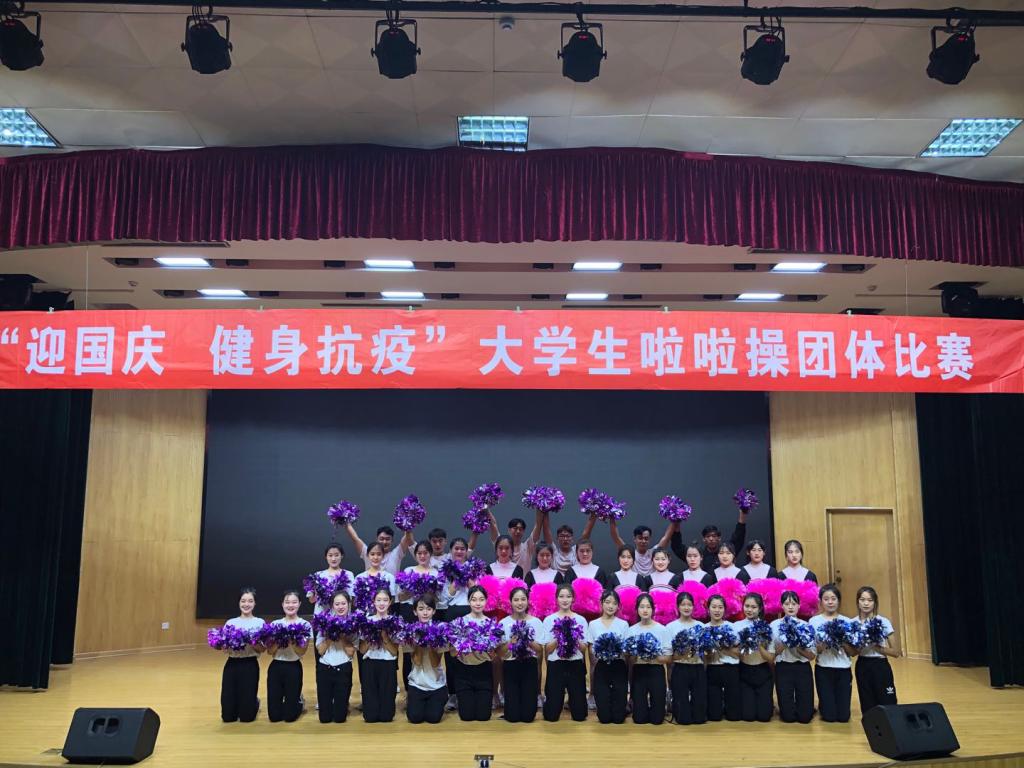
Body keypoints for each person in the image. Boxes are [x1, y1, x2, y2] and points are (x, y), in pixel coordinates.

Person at [542, 583, 589, 721]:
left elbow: (584, 649)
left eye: (568, 596)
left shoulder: (580, 619)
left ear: (573, 598)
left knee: (580, 716)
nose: (565, 600)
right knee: (551, 716)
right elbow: (548, 650)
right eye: (561, 596)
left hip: (575, 664)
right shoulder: (549, 620)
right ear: (556, 599)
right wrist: (560, 636)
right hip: (556, 664)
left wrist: (573, 636)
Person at [449, 585, 497, 721]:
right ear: (469, 601)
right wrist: (461, 645)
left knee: (483, 716)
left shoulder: (491, 624)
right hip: (463, 672)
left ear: (486, 601)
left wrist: (488, 649)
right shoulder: (459, 622)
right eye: (474, 599)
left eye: (481, 599)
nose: (478, 603)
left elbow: (494, 655)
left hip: (483, 672)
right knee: (467, 716)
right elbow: (452, 653)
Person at [499, 586, 545, 723]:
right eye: (516, 600)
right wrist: (510, 642)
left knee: (528, 717)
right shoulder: (503, 623)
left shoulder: (536, 622)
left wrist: (527, 639)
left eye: (523, 599)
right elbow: (500, 653)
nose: (520, 603)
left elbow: (539, 651)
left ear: (528, 601)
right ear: (511, 602)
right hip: (510, 665)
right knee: (512, 717)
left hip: (529, 665)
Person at [810, 583, 855, 723]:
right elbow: (813, 651)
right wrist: (826, 641)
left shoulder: (847, 621)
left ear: (839, 601)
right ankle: (824, 706)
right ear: (821, 602)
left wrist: (840, 640)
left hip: (843, 669)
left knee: (843, 717)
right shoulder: (814, 621)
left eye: (833, 598)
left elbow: (853, 652)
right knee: (829, 717)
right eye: (826, 599)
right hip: (823, 668)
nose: (830, 602)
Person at [219, 588, 266, 723]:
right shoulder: (231, 622)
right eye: (243, 601)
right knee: (228, 717)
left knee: (247, 717)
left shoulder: (259, 622)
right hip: (232, 664)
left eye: (250, 601)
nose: (246, 604)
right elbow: (224, 649)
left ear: (255, 603)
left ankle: (254, 702)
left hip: (250, 664)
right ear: (239, 603)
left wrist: (250, 641)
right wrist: (224, 645)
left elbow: (262, 649)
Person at [397, 541, 440, 690]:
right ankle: (409, 688)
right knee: (409, 652)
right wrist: (412, 590)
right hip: (410, 613)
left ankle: (430, 682)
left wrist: (428, 591)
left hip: (427, 613)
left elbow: (438, 598)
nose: (422, 556)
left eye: (425, 553)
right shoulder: (409, 570)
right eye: (419, 553)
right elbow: (400, 596)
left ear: (430, 554)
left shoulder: (435, 573)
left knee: (429, 648)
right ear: (415, 555)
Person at [624, 593, 672, 725]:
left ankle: (658, 709)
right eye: (642, 607)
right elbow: (628, 658)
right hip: (639, 671)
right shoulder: (631, 630)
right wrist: (634, 654)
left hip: (656, 670)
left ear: (653, 609)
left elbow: (668, 658)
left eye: (648, 607)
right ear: (637, 609)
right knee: (639, 719)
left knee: (657, 719)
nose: (645, 610)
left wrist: (654, 655)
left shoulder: (662, 629)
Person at [265, 590, 311, 723]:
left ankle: (299, 702)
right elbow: (270, 651)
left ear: (299, 604)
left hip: (293, 667)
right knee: (274, 717)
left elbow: (301, 652)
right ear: (282, 604)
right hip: (276, 666)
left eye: (294, 602)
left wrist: (290, 640)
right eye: (287, 602)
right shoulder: (275, 624)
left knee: (290, 717)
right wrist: (279, 641)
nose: (290, 605)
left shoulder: (305, 624)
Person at [771, 589, 816, 724]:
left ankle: (806, 707)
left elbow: (811, 656)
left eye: (794, 604)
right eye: (787, 604)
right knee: (788, 717)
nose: (790, 607)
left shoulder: (806, 625)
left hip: (802, 667)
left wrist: (797, 645)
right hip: (783, 667)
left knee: (805, 718)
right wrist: (785, 642)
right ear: (782, 606)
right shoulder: (774, 625)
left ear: (799, 606)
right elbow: (772, 654)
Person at [853, 586, 899, 715]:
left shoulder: (883, 621)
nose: (866, 603)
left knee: (888, 702)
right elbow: (852, 653)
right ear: (858, 602)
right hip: (862, 665)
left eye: (870, 600)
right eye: (862, 600)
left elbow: (896, 652)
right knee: (867, 703)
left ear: (875, 602)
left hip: (880, 665)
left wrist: (875, 646)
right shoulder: (853, 623)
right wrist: (862, 643)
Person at [587, 590, 629, 724]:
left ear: (618, 606)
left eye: (614, 603)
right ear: (601, 603)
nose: (611, 606)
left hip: (618, 665)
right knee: (604, 718)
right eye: (607, 602)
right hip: (601, 666)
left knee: (618, 719)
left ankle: (621, 707)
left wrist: (618, 650)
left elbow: (626, 650)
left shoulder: (623, 624)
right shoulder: (593, 624)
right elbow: (591, 649)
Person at [405, 593, 448, 724]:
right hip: (416, 683)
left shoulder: (441, 630)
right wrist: (420, 639)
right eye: (421, 609)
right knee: (415, 718)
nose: (425, 613)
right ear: (415, 611)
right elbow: (417, 661)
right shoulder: (409, 631)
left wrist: (430, 640)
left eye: (429, 609)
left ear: (434, 611)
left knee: (433, 718)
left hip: (436, 684)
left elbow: (435, 663)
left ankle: (441, 697)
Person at [665, 591, 707, 725]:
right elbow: (669, 656)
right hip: (680, 668)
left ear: (693, 607)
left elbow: (705, 652)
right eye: (683, 604)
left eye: (689, 605)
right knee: (683, 719)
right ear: (678, 607)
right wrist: (684, 652)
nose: (686, 607)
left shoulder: (701, 626)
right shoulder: (671, 627)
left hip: (697, 667)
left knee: (699, 718)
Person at [359, 588, 400, 723]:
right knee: (370, 717)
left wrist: (384, 637)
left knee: (386, 717)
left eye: (385, 600)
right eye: (378, 600)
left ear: (390, 602)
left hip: (388, 664)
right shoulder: (367, 621)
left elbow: (394, 652)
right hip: (369, 663)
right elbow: (362, 650)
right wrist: (371, 637)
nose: (382, 603)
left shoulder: (395, 622)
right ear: (373, 602)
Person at [732, 593, 775, 722]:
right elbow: (733, 650)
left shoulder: (767, 627)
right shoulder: (737, 626)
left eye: (753, 607)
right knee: (748, 716)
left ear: (760, 608)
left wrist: (759, 645)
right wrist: (743, 647)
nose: (749, 610)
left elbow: (771, 658)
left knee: (764, 717)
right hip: (744, 671)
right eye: (747, 606)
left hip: (763, 671)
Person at [314, 591, 355, 723]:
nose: (340, 607)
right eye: (337, 604)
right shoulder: (323, 622)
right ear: (332, 605)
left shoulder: (353, 623)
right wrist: (331, 636)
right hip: (325, 667)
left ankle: (342, 705)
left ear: (349, 604)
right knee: (324, 718)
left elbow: (351, 652)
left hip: (343, 668)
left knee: (340, 718)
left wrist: (341, 636)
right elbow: (320, 651)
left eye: (343, 603)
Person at [671, 510, 749, 573]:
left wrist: (742, 514)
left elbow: (738, 537)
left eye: (714, 536)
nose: (711, 539)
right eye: (708, 536)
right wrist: (677, 524)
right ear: (703, 539)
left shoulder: (728, 551)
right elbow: (677, 547)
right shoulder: (698, 555)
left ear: (719, 538)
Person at [704, 594, 741, 722]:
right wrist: (710, 650)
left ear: (724, 609)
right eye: (714, 607)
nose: (717, 610)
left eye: (720, 607)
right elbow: (704, 657)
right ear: (708, 609)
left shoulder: (732, 627)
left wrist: (722, 648)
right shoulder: (704, 628)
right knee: (714, 716)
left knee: (733, 716)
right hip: (712, 670)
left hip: (731, 669)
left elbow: (739, 653)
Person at [342, 521, 414, 576]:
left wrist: (408, 522)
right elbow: (355, 539)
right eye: (381, 539)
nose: (384, 542)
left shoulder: (397, 553)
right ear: (377, 539)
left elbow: (407, 537)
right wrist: (346, 522)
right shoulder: (369, 553)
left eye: (387, 539)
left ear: (392, 541)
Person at [608, 520, 675, 576]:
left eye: (646, 538)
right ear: (635, 539)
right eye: (640, 538)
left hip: (652, 585)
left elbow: (667, 537)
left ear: (649, 539)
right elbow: (615, 537)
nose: (643, 541)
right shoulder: (630, 553)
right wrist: (612, 518)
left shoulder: (655, 552)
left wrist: (675, 517)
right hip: (634, 585)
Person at [306, 542, 356, 616]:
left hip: (341, 616)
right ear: (326, 557)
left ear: (341, 556)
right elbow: (311, 600)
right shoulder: (318, 575)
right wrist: (317, 593)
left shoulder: (348, 574)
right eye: (330, 555)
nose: (333, 559)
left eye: (336, 555)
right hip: (321, 616)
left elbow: (350, 599)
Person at [353, 542, 398, 607]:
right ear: (367, 555)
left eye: (379, 554)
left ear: (383, 556)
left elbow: (392, 599)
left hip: (383, 612)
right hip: (363, 612)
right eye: (372, 554)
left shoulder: (389, 577)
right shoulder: (359, 577)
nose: (375, 557)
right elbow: (355, 601)